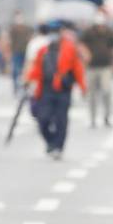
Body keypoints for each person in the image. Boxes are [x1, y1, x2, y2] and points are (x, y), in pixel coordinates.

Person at [27, 21, 86, 159]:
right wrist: (29, 80)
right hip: (46, 88)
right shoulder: (44, 50)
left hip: (63, 89)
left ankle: (58, 146)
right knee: (43, 118)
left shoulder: (70, 49)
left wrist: (82, 86)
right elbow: (37, 68)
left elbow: (77, 68)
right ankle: (50, 142)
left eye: (56, 32)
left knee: (61, 120)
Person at [80, 12, 113, 128]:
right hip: (91, 67)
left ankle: (107, 116)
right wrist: (85, 53)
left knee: (106, 91)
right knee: (91, 94)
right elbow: (81, 44)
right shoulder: (89, 32)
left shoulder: (109, 32)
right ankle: (92, 118)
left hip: (105, 66)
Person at [8, 10, 33, 94]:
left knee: (24, 70)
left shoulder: (27, 28)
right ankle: (16, 88)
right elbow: (10, 41)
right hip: (16, 52)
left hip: (25, 52)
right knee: (16, 70)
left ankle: (24, 86)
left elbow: (30, 38)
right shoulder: (13, 29)